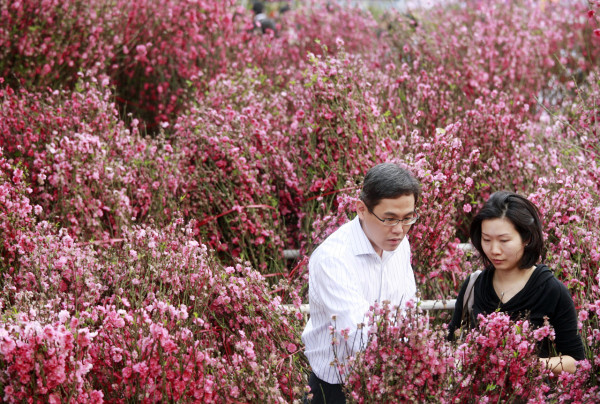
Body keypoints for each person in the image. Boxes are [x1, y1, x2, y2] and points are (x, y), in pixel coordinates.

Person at [302, 163, 421, 404]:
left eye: (408, 218)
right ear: (361, 209)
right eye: (389, 219)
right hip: (335, 388)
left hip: (390, 378)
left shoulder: (399, 244)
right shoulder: (332, 258)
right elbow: (357, 335)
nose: (399, 230)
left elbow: (407, 307)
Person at [448, 191, 585, 374]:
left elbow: (576, 361)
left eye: (504, 240)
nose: (494, 250)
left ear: (526, 238)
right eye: (486, 240)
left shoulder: (551, 290)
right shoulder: (475, 285)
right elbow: (451, 343)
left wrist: (527, 365)